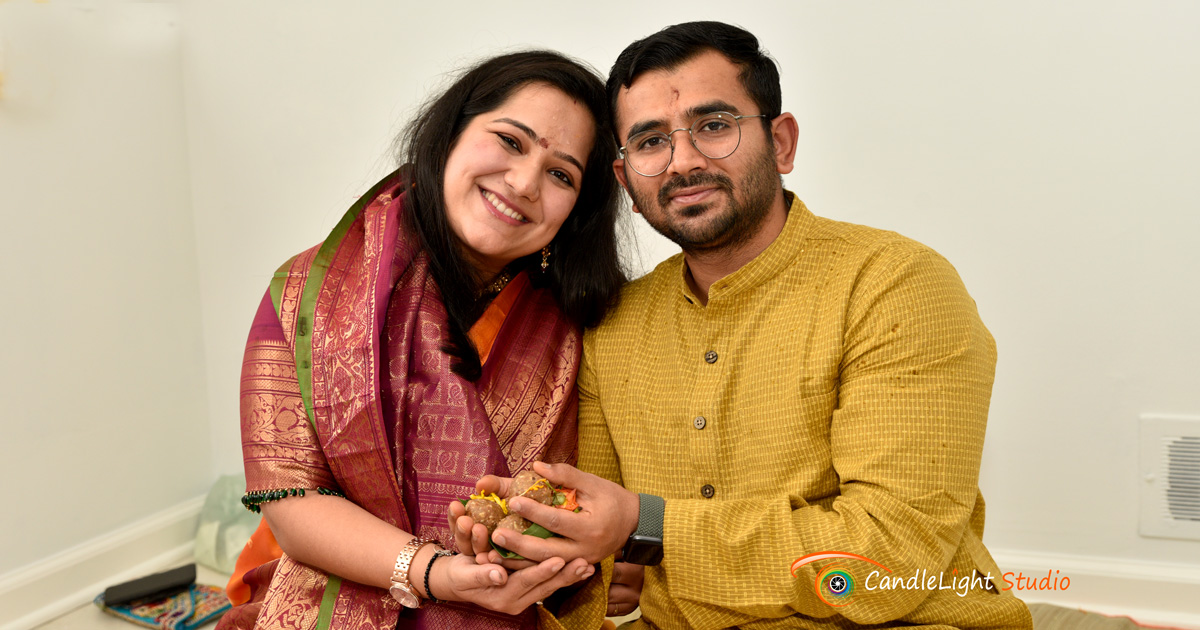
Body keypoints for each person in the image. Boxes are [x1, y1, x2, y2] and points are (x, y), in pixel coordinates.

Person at [456, 22, 1034, 629]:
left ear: (781, 143)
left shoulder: (895, 286)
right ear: (626, 181)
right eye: (651, 141)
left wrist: (645, 526)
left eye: (714, 126)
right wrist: (517, 543)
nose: (683, 161)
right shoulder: (616, 323)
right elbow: (598, 535)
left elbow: (885, 559)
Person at [217, 50, 628, 630]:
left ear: (577, 213)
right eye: (511, 141)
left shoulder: (591, 328)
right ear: (449, 134)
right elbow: (291, 503)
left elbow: (609, 503)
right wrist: (432, 570)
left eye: (562, 174)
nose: (524, 182)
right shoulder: (308, 296)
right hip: (329, 598)